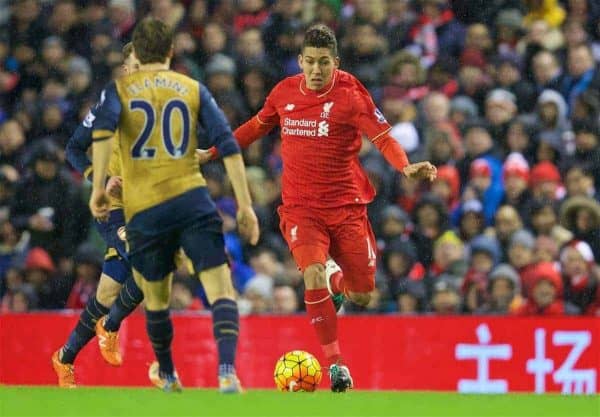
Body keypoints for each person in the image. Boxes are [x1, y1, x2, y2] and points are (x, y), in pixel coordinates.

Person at [199, 24, 436, 392]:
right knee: (310, 272)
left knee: (361, 294)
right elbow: (253, 128)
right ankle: (336, 364)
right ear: (300, 61)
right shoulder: (284, 93)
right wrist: (212, 152)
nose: (315, 70)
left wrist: (404, 166)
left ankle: (337, 282)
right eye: (309, 62)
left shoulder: (351, 95)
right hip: (301, 209)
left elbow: (384, 137)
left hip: (346, 208)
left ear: (335, 63)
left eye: (323, 62)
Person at [89, 20, 259, 393]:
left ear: (139, 51)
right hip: (191, 199)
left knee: (157, 297)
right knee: (220, 289)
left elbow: (101, 134)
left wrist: (98, 188)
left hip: (146, 208)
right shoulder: (191, 87)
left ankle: (167, 373)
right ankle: (227, 371)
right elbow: (227, 145)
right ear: (170, 52)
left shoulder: (119, 90)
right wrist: (245, 206)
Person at [52, 43, 145, 388]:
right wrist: (103, 179)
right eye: (136, 66)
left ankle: (64, 357)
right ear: (124, 69)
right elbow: (74, 148)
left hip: (145, 209)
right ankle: (111, 325)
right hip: (112, 207)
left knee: (106, 295)